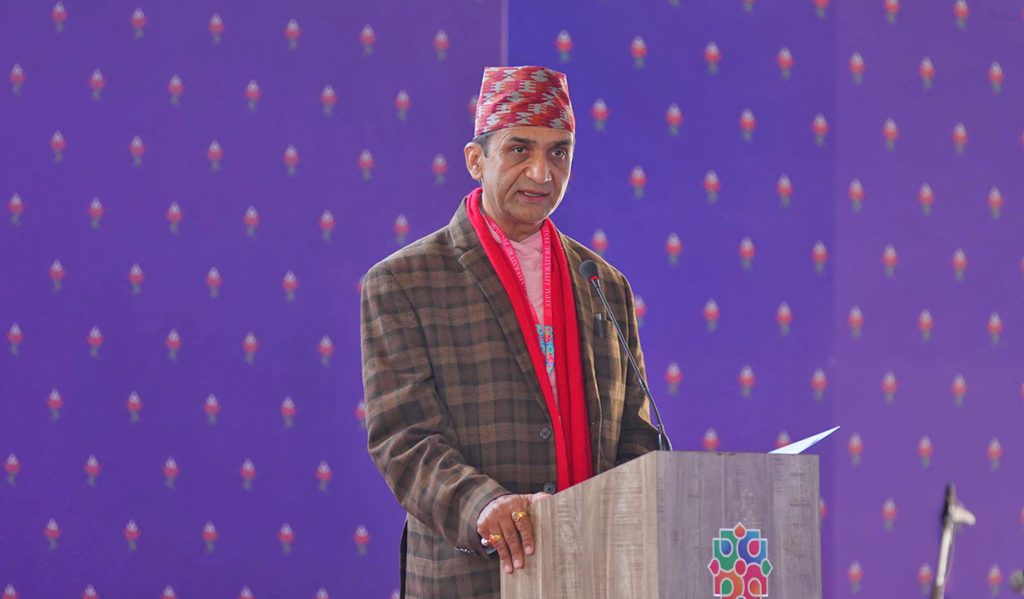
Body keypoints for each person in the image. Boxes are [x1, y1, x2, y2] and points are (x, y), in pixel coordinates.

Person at [360, 65, 660, 598]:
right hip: (472, 578)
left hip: (594, 575)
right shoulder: (404, 282)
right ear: (476, 161)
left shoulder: (604, 284)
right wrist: (484, 506)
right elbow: (403, 438)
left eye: (559, 153)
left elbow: (635, 439)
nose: (542, 173)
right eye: (520, 149)